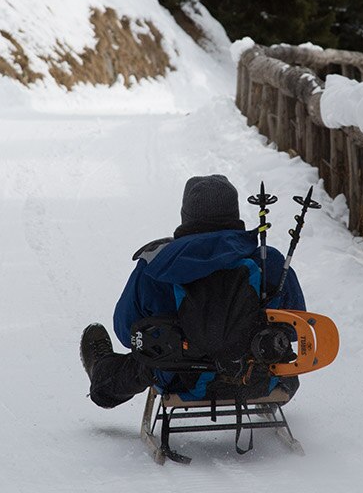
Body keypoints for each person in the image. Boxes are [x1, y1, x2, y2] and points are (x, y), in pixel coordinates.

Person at [80, 173, 306, 410]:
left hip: (179, 381)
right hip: (260, 379)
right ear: (235, 213)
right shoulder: (269, 260)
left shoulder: (157, 264)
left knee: (141, 364)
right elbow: (296, 328)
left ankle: (102, 373)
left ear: (185, 216)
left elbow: (126, 332)